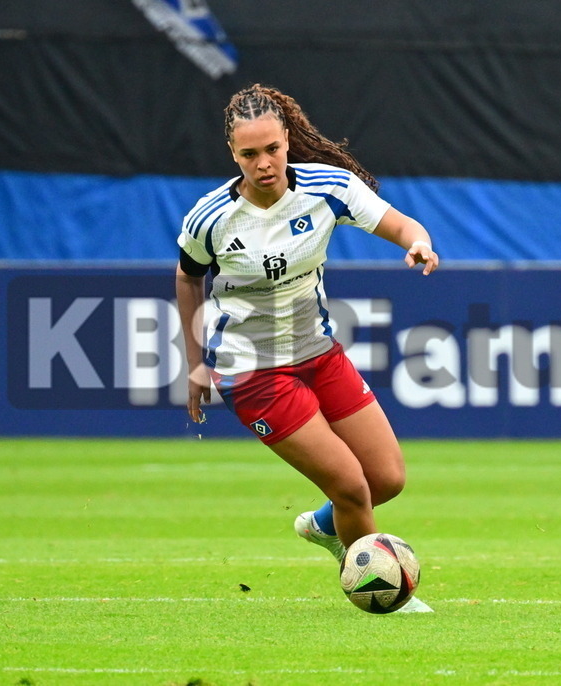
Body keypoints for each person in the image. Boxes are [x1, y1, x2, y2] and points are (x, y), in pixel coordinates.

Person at [175, 84, 439, 610]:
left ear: (288, 140)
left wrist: (418, 241)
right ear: (234, 155)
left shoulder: (328, 188)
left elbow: (401, 223)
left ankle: (323, 527)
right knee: (350, 485)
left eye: (271, 149)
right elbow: (187, 279)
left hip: (318, 354)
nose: (264, 163)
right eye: (249, 154)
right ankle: (384, 591)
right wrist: (195, 364)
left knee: (385, 478)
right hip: (253, 374)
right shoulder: (210, 218)